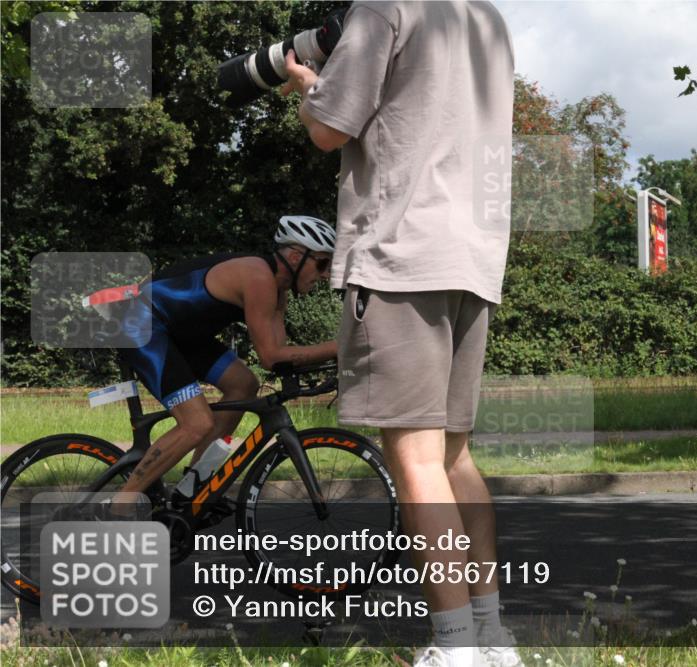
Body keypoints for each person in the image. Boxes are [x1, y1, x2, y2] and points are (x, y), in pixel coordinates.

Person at [280, 2, 518, 666]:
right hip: (473, 257)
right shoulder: (487, 18)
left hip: (401, 254)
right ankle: (493, 639)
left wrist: (308, 88)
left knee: (415, 460)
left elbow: (330, 127)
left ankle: (455, 647)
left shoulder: (386, 5)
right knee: (453, 458)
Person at [110, 216, 339, 504]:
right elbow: (270, 356)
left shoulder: (279, 292)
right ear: (295, 256)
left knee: (243, 384)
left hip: (179, 334)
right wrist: (336, 348)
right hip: (141, 324)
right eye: (321, 263)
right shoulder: (259, 277)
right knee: (196, 423)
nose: (326, 274)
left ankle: (192, 487)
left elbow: (281, 358)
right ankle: (120, 505)